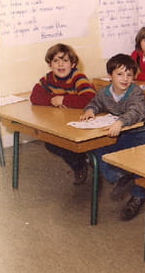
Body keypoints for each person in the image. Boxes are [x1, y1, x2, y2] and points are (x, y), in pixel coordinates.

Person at [80, 54, 145, 221]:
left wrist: (121, 122)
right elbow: (95, 102)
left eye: (129, 75)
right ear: (110, 76)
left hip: (137, 133)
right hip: (117, 134)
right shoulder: (104, 92)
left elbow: (136, 111)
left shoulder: (136, 93)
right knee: (96, 149)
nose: (125, 79)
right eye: (120, 74)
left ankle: (139, 196)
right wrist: (90, 110)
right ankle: (120, 178)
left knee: (143, 159)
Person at [30, 43, 96, 185]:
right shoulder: (49, 78)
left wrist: (64, 100)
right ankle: (80, 164)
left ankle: (82, 161)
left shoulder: (78, 77)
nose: (60, 64)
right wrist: (52, 100)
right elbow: (35, 96)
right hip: (63, 122)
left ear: (73, 64)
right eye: (56, 61)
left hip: (82, 122)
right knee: (51, 143)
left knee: (71, 143)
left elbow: (90, 99)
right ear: (50, 64)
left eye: (65, 60)